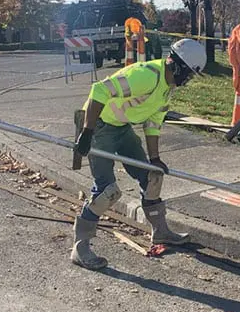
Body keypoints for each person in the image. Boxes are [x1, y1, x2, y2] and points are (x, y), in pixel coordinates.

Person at [70, 38, 207, 270]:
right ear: (177, 66)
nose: (189, 80)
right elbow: (99, 90)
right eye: (189, 74)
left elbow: (153, 123)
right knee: (107, 191)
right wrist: (86, 133)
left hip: (121, 126)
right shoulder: (147, 75)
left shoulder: (167, 88)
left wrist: (154, 159)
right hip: (99, 125)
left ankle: (160, 232)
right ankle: (80, 247)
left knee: (152, 176)